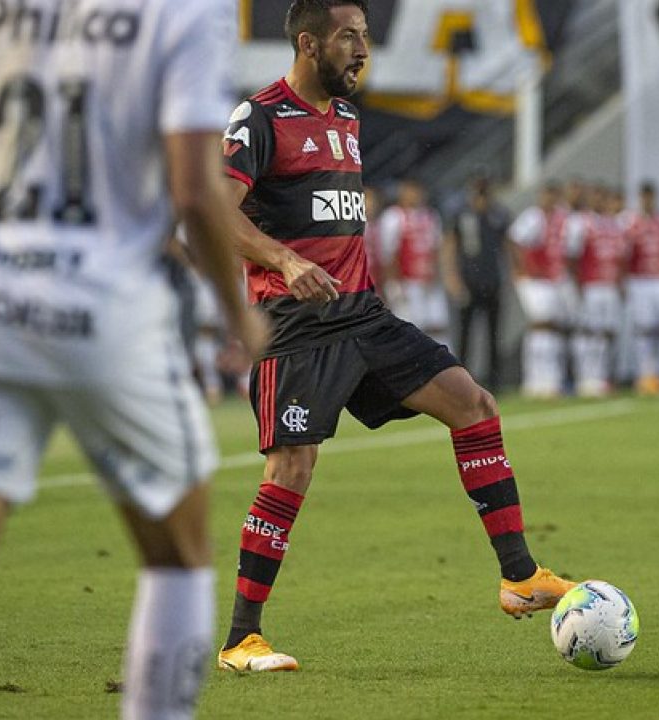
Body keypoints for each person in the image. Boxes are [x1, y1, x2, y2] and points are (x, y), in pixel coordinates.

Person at [0, 2, 267, 719]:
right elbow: (193, 190)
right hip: (107, 311)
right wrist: (238, 314)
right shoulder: (185, 12)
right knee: (177, 552)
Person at [215, 0, 575, 674]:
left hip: (365, 317)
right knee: (292, 468)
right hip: (297, 328)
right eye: (348, 37)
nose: (361, 50)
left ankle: (520, 577)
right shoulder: (259, 118)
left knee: (474, 404)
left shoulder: (347, 118)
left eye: (366, 38)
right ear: (307, 42)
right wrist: (286, 261)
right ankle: (241, 639)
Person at [507, 181, 574, 398]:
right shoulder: (532, 216)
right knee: (542, 323)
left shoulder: (562, 218)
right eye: (546, 195)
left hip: (552, 278)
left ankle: (548, 379)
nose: (549, 200)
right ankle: (536, 379)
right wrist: (521, 268)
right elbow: (514, 241)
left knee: (552, 326)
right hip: (533, 280)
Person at [443, 176, 511, 389]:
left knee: (494, 334)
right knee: (464, 334)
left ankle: (495, 381)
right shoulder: (461, 215)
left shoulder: (499, 215)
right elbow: (450, 246)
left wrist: (511, 274)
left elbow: (508, 245)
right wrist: (452, 278)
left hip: (492, 280)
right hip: (469, 280)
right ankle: (463, 380)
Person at [567, 186, 628, 397]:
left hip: (609, 285)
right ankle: (586, 377)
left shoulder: (615, 224)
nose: (600, 201)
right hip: (590, 285)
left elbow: (621, 259)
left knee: (608, 333)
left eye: (604, 197)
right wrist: (578, 284)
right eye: (597, 197)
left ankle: (604, 376)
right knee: (590, 332)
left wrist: (621, 284)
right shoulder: (581, 222)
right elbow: (571, 257)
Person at [623, 181, 659, 395]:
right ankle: (646, 374)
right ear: (640, 198)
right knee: (645, 327)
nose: (647, 200)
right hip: (640, 279)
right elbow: (624, 253)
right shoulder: (630, 221)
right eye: (644, 196)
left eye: (651, 196)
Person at [375, 179, 450, 345]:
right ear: (402, 192)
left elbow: (436, 249)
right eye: (411, 190)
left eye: (418, 191)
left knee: (439, 327)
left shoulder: (431, 215)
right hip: (406, 282)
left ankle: (438, 367)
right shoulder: (393, 216)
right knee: (409, 329)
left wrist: (438, 278)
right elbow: (388, 253)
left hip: (429, 282)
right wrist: (393, 284)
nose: (415, 195)